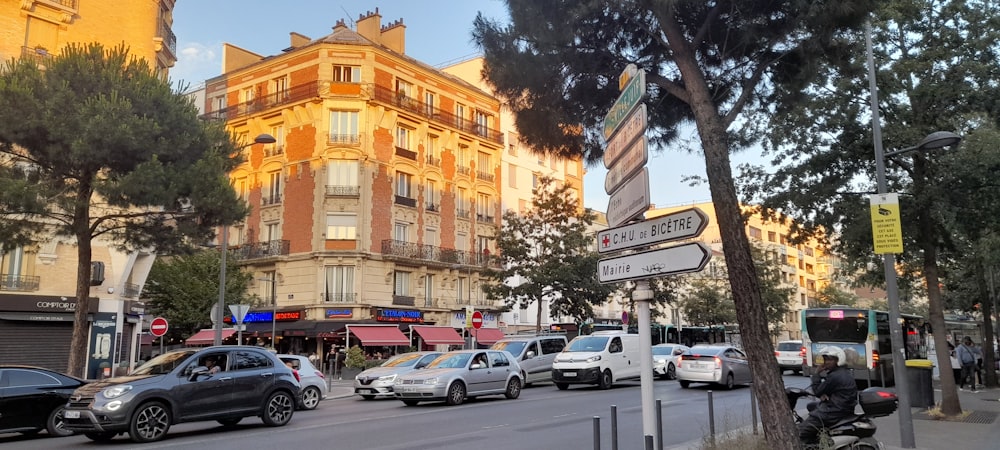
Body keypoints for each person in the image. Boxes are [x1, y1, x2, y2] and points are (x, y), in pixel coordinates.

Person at [798, 346, 858, 446]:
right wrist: (825, 394)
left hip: (832, 411)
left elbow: (817, 391)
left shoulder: (835, 376)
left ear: (838, 360)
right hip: (841, 407)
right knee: (811, 406)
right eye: (825, 359)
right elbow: (828, 390)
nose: (826, 362)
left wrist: (816, 373)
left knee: (799, 432)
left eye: (830, 359)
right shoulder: (843, 373)